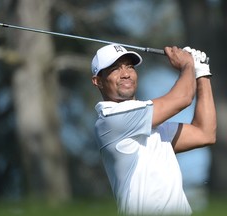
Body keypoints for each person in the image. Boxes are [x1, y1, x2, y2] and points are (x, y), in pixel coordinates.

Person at [91, 44, 216, 215]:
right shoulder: (111, 119)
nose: (126, 74)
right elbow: (183, 98)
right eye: (115, 69)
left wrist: (202, 73)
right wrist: (188, 65)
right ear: (97, 81)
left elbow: (205, 134)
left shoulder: (151, 125)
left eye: (129, 66)